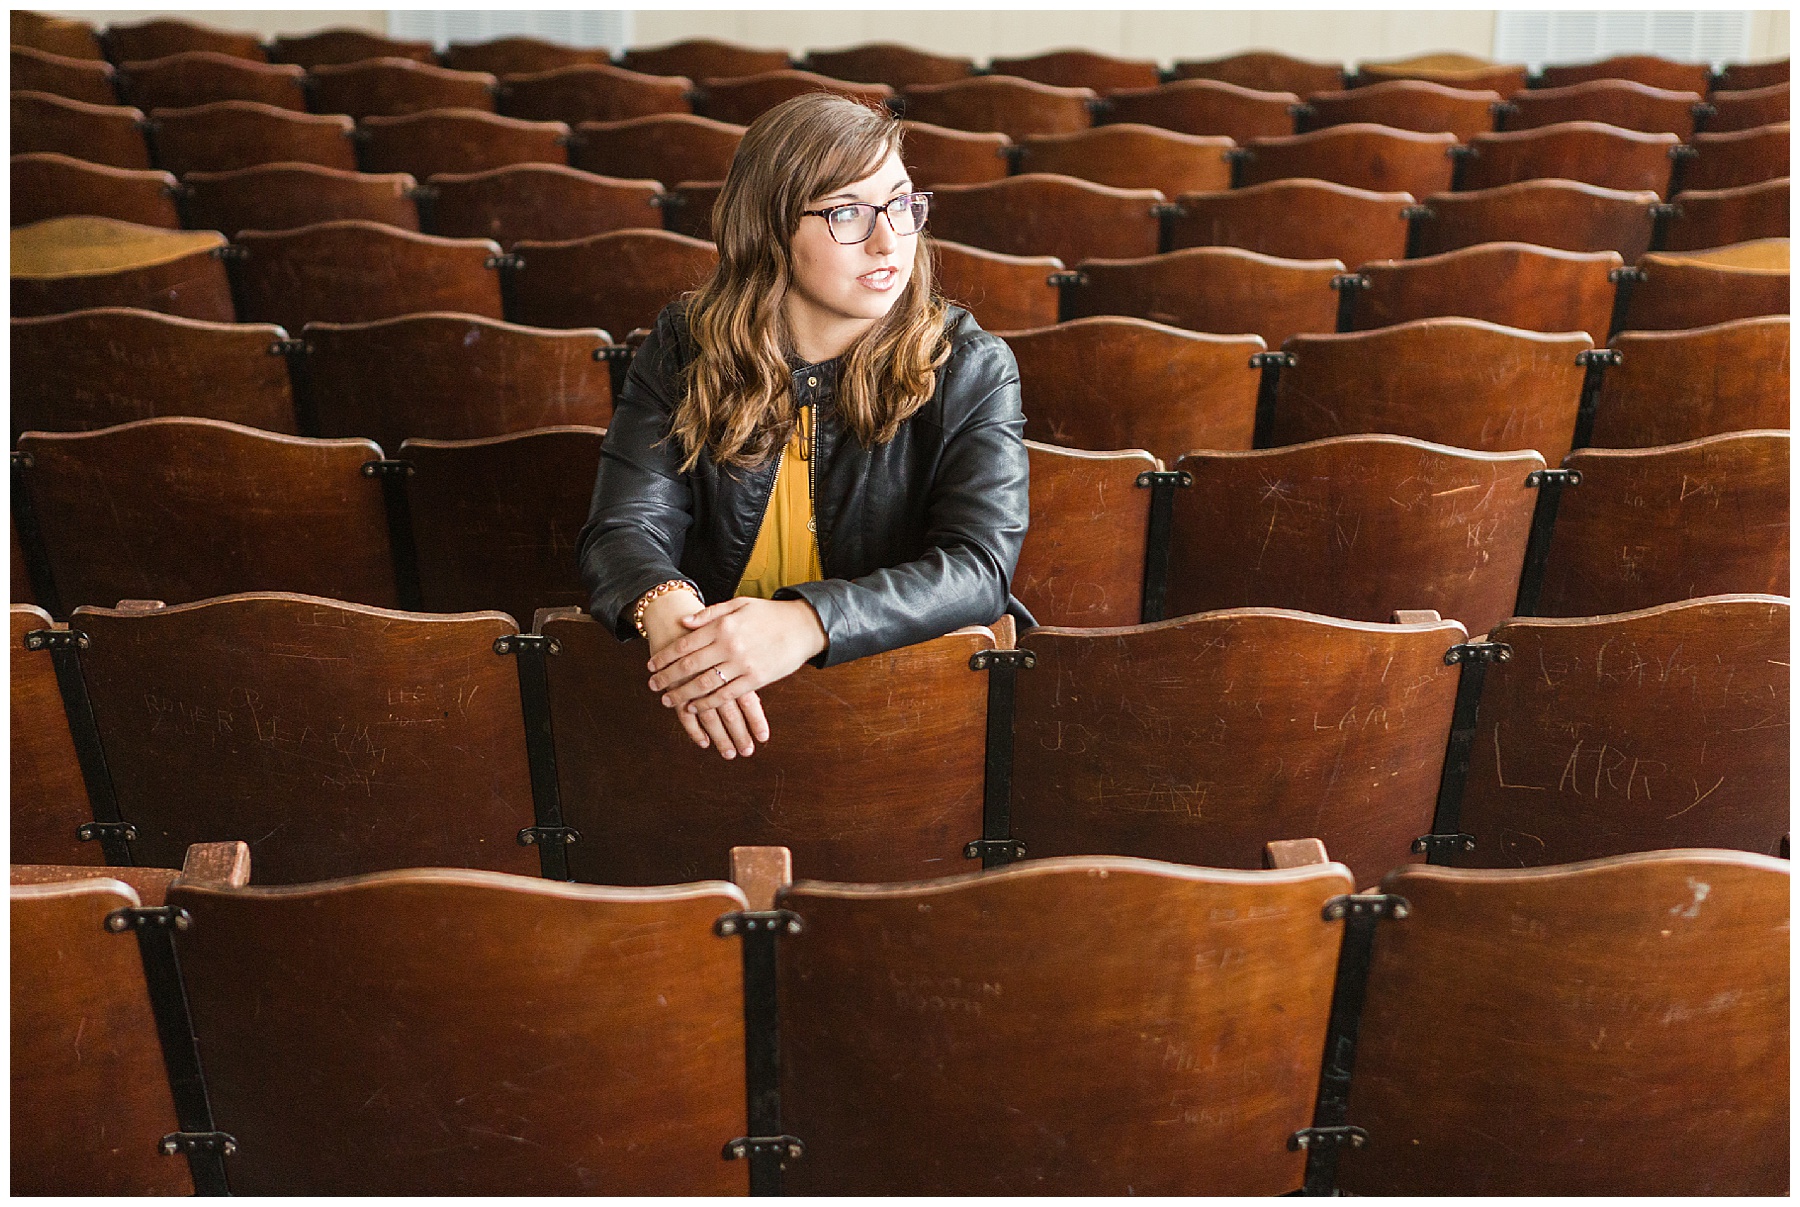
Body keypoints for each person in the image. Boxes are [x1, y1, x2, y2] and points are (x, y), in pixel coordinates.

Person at [577, 92, 1031, 761]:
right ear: (769, 229)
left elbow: (978, 568)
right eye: (848, 211)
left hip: (900, 711)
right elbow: (622, 528)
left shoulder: (971, 365)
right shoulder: (684, 345)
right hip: (719, 712)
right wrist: (662, 605)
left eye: (902, 204)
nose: (888, 241)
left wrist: (809, 621)